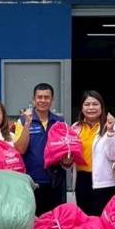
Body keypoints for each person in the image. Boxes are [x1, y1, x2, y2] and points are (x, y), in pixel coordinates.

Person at [15, 82, 68, 215]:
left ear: (52, 100)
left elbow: (65, 149)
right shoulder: (22, 121)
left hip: (55, 181)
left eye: (46, 97)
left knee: (54, 219)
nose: (43, 100)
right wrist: (27, 124)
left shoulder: (60, 121)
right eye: (39, 97)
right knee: (33, 220)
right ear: (34, 99)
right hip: (32, 181)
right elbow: (20, 149)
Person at [68, 90, 115, 215]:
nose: (91, 108)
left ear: (102, 107)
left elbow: (114, 154)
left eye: (95, 104)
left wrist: (111, 132)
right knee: (85, 219)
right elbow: (70, 155)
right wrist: (66, 161)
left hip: (103, 181)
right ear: (82, 108)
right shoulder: (75, 127)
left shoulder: (111, 126)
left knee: (101, 219)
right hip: (82, 180)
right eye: (87, 104)